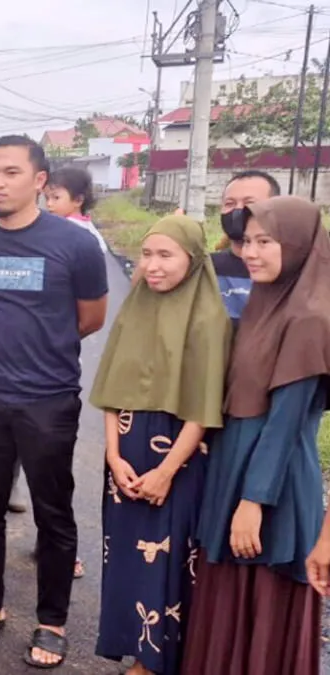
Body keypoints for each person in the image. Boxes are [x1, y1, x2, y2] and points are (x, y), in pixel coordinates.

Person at [0, 135, 108, 669]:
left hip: (48, 400)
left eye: (10, 172)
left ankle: (52, 622)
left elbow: (91, 318)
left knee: (53, 513)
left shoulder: (75, 244)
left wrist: (42, 351)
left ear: (39, 181)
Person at [182, 197, 329, 675]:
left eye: (267, 242)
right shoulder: (266, 303)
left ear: (300, 245)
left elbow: (286, 424)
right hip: (236, 469)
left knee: (260, 608)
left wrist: (253, 502)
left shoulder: (308, 317)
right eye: (247, 241)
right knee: (226, 603)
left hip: (274, 487)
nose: (251, 252)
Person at [89, 215, 231, 675]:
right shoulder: (135, 306)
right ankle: (135, 650)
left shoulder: (209, 318)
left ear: (192, 260)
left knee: (169, 560)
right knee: (125, 554)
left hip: (179, 456)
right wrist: (112, 455)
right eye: (147, 254)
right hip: (126, 455)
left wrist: (167, 470)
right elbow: (111, 388)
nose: (152, 265)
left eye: (165, 255)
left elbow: (203, 408)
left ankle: (158, 661)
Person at [212, 170, 280, 327]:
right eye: (230, 204)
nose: (238, 210)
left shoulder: (291, 270)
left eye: (249, 203)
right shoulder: (206, 268)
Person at [45, 166, 108, 255]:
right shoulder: (86, 224)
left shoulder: (67, 227)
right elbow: (102, 248)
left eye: (56, 197)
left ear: (78, 200)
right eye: (47, 198)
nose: (49, 204)